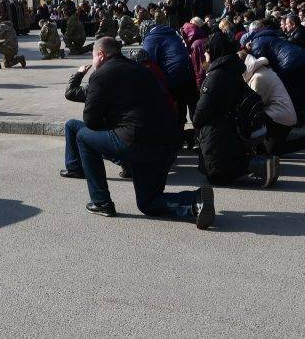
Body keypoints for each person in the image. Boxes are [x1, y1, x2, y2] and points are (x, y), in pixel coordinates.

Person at [60, 37, 215, 228]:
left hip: (136, 142)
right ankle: (195, 201)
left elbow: (90, 121)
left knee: (83, 136)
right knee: (148, 202)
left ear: (100, 55)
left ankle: (101, 202)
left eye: (93, 57)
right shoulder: (142, 69)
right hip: (167, 144)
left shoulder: (101, 75)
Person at [193, 34, 279, 187]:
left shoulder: (216, 76)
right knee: (224, 169)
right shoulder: (232, 70)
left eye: (207, 51)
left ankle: (260, 165)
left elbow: (203, 109)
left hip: (217, 131)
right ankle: (260, 164)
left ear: (214, 52)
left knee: (216, 176)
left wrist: (196, 122)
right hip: (232, 128)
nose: (205, 54)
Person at [244, 54, 305, 158]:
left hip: (279, 117)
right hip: (282, 115)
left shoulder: (258, 77)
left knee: (270, 150)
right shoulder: (262, 71)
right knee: (274, 149)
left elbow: (257, 105)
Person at [142, 16, 199, 134]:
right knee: (183, 102)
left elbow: (148, 62)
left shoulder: (151, 38)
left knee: (172, 105)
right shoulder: (171, 32)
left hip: (172, 75)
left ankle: (175, 133)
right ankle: (188, 131)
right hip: (187, 72)